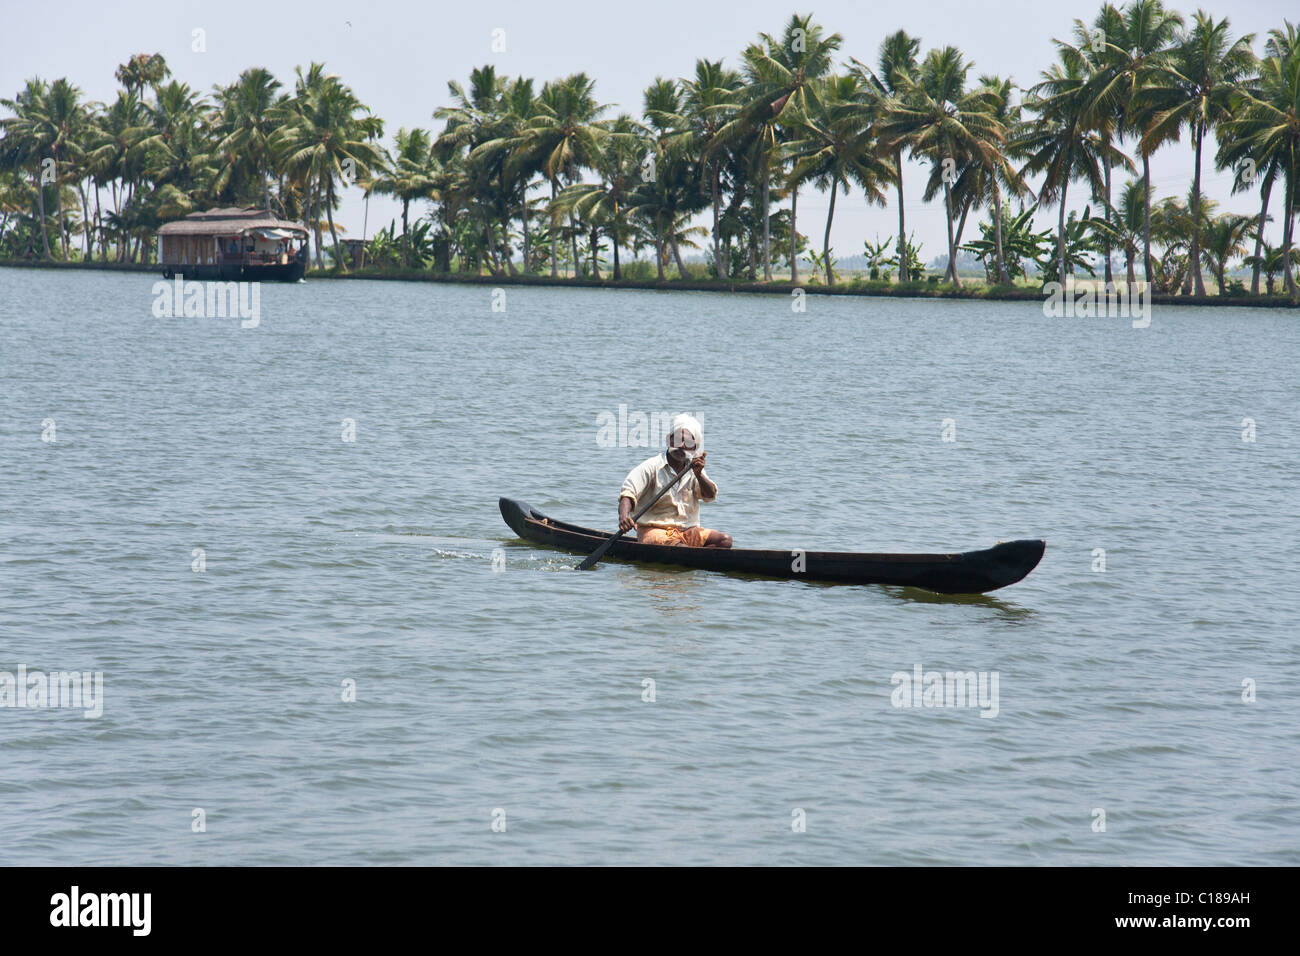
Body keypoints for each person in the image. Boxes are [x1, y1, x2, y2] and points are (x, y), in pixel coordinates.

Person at [617, 414, 732, 548]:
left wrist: (699, 475)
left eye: (688, 443)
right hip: (655, 532)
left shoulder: (695, 469)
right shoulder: (651, 466)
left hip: (688, 532)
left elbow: (710, 495)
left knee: (725, 540)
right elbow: (628, 493)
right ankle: (693, 559)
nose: (681, 446)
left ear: (694, 449)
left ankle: (696, 560)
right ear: (668, 440)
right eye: (678, 440)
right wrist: (624, 516)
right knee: (680, 547)